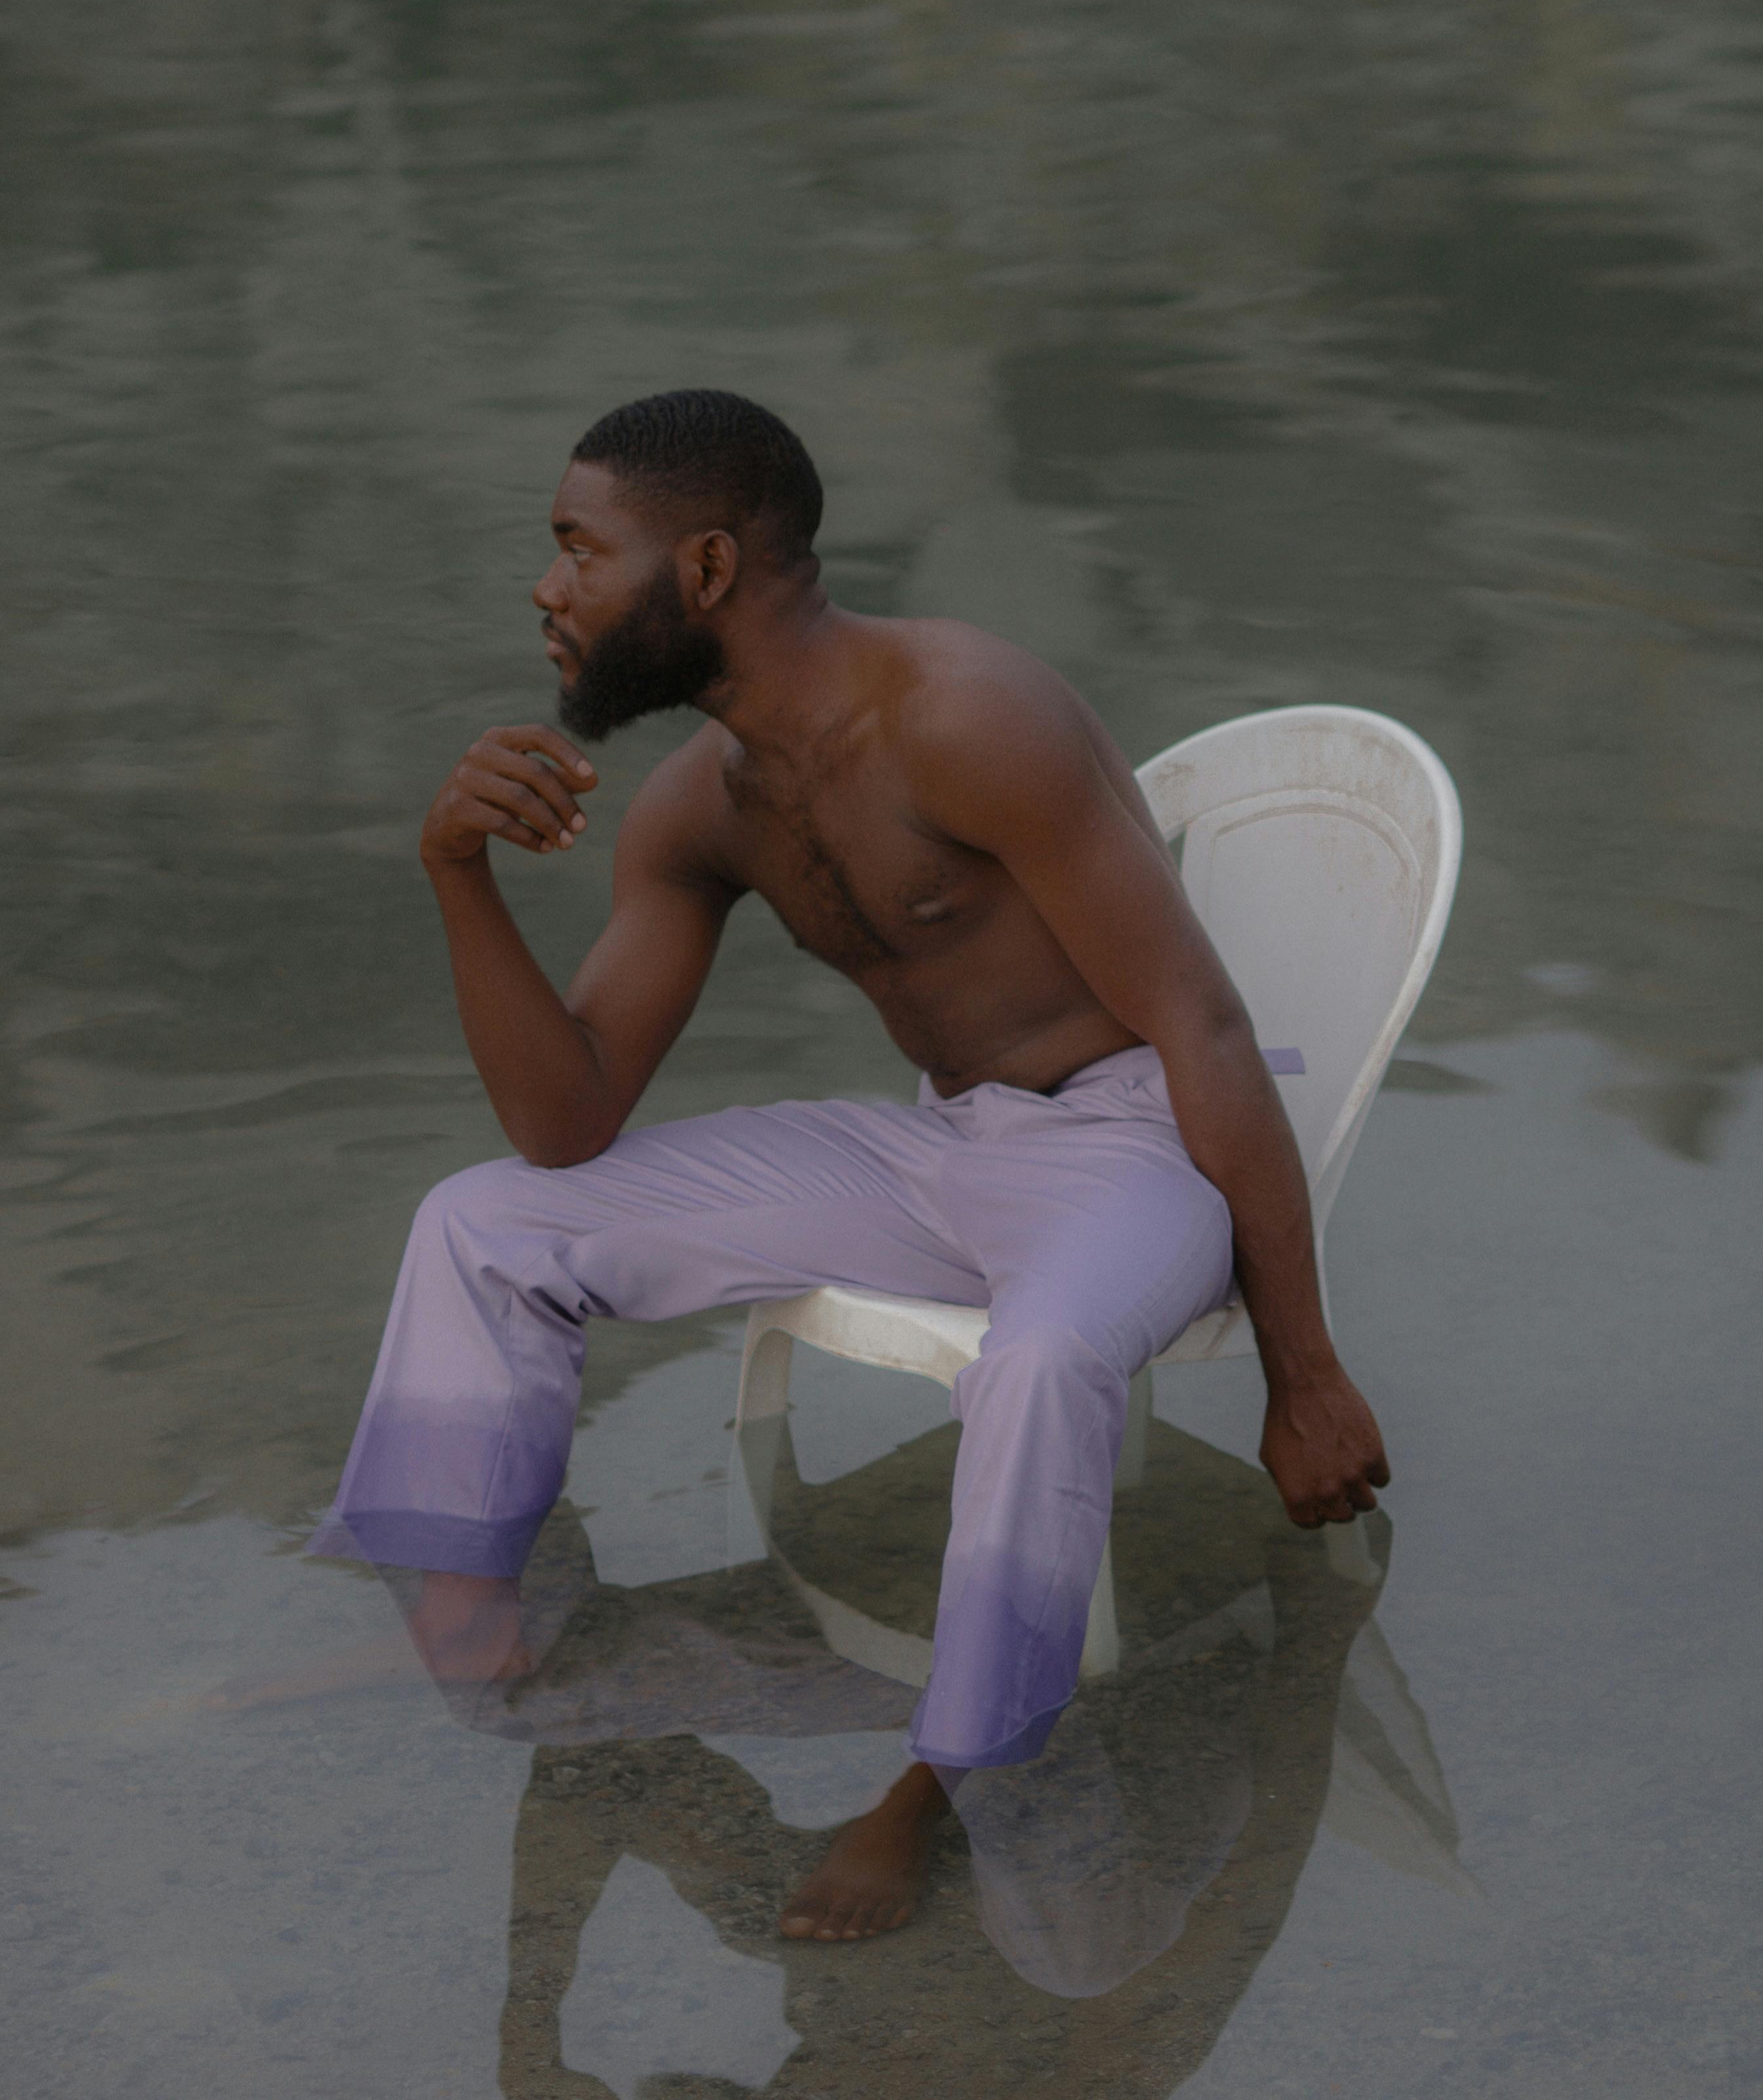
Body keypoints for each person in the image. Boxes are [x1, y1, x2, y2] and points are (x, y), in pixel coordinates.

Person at [311, 388, 1389, 1943]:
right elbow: (564, 1127)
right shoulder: (705, 804)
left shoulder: (964, 714)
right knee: (484, 1224)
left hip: (1136, 1136)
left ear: (699, 571)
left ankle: (952, 1770)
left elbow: (1205, 1030)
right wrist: (455, 874)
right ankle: (466, 1628)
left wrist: (1304, 1370)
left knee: (1036, 1362)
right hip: (948, 1145)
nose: (545, 590)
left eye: (573, 550)